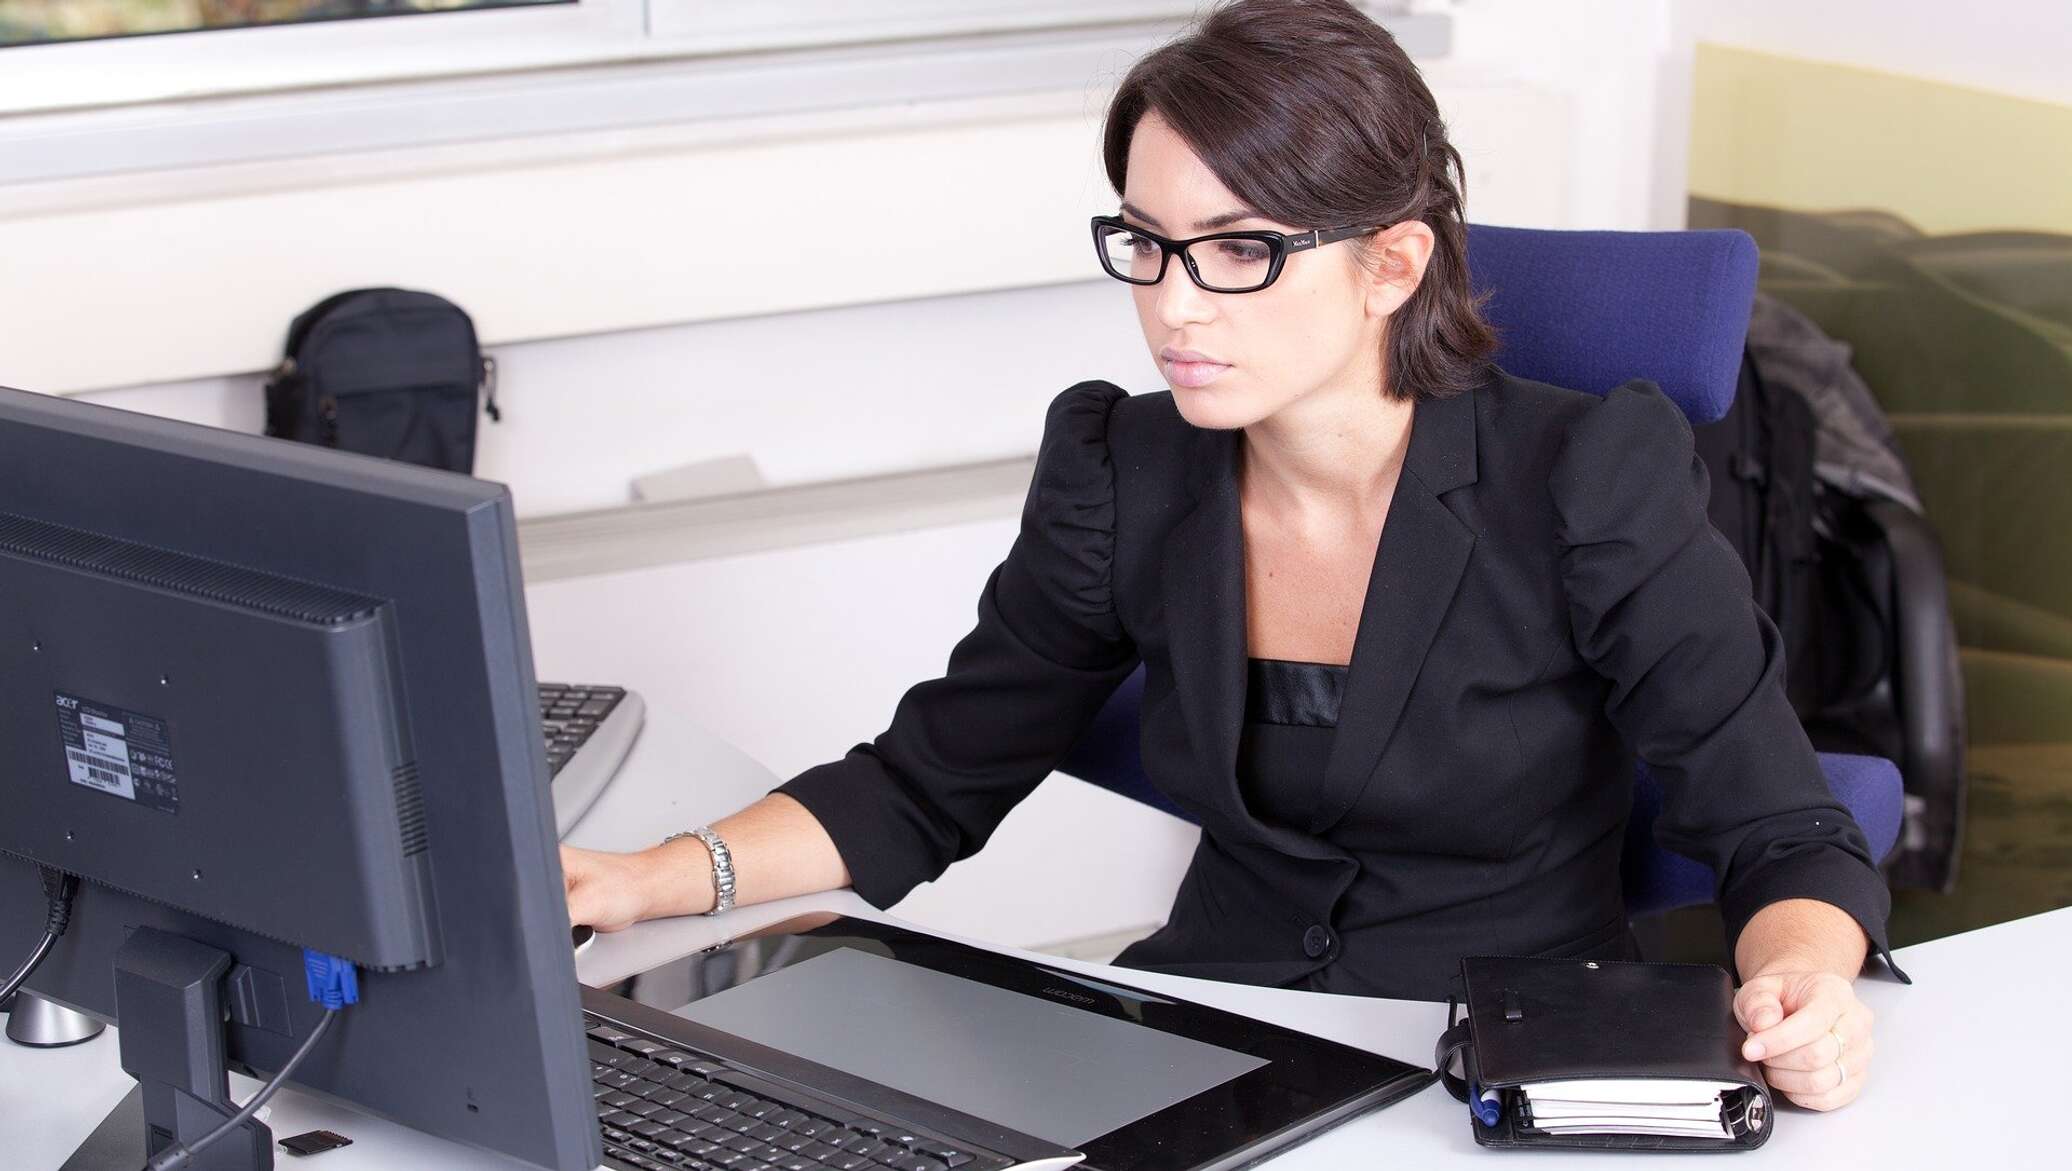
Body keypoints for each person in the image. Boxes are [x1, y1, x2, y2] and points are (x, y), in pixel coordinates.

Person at [562, 0, 1895, 1112]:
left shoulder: (1586, 476)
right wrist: (640, 879)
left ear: (1393, 265)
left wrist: (1805, 983)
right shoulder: (1125, 468)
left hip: (1487, 1062)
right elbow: (928, 780)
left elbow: (1784, 829)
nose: (1172, 305)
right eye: (1147, 243)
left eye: (1241, 249)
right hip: (1208, 1038)